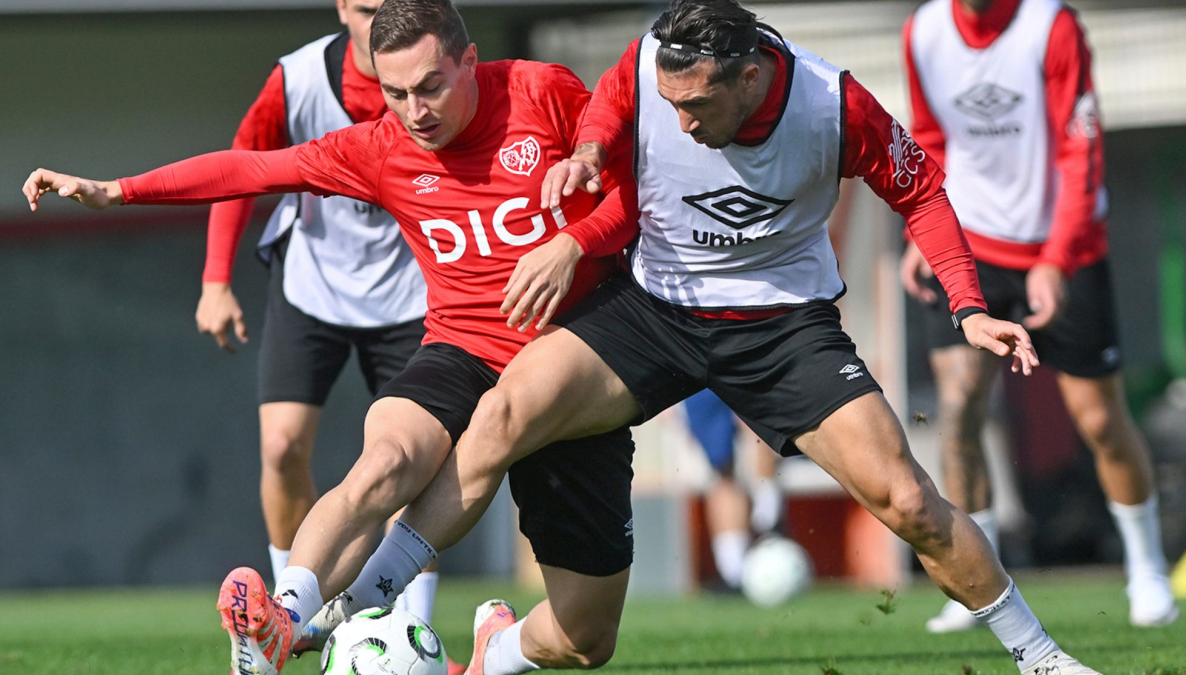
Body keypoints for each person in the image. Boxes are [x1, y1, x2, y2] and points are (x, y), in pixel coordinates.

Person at [318, 0, 1100, 673]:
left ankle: (1043, 656)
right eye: (672, 104)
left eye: (697, 107)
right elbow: (614, 102)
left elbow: (922, 191)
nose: (682, 124)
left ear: (751, 76)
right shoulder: (654, 61)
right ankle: (360, 607)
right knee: (501, 415)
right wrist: (591, 148)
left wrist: (968, 305)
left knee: (909, 502)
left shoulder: (834, 105)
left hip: (781, 326)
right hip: (654, 309)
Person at [22, 1, 642, 675]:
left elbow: (634, 190)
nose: (415, 110)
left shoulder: (540, 91)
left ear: (470, 61)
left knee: (584, 639)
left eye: (431, 86)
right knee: (385, 460)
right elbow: (250, 169)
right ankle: (281, 623)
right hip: (462, 350)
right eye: (395, 92)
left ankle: (495, 649)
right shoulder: (380, 147)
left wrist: (574, 245)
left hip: (575, 361)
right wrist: (118, 190)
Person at [900, 0, 1178, 632]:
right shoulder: (923, 31)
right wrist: (925, 233)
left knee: (1100, 419)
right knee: (958, 410)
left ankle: (1146, 568)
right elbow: (931, 139)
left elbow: (1081, 150)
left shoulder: (1050, 25)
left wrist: (1056, 258)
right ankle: (978, 583)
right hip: (967, 244)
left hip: (1063, 244)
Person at [199, 0, 443, 612]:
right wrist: (214, 279)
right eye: (364, 10)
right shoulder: (298, 78)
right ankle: (288, 611)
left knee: (416, 467)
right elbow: (241, 166)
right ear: (341, 7)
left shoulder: (438, 81)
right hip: (312, 284)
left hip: (412, 293)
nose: (377, 23)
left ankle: (412, 632)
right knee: (281, 447)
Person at [682, 389, 783, 590]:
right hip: (697, 375)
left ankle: (768, 520)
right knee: (720, 469)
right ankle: (734, 573)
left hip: (747, 361)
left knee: (761, 428)